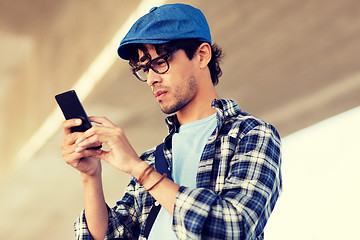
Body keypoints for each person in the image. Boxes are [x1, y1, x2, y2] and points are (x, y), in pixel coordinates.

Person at [61, 3, 282, 240]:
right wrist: (91, 175)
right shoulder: (153, 159)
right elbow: (112, 236)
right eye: (145, 69)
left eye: (160, 63)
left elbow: (232, 228)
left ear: (201, 55)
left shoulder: (251, 135)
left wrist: (140, 170)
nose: (151, 79)